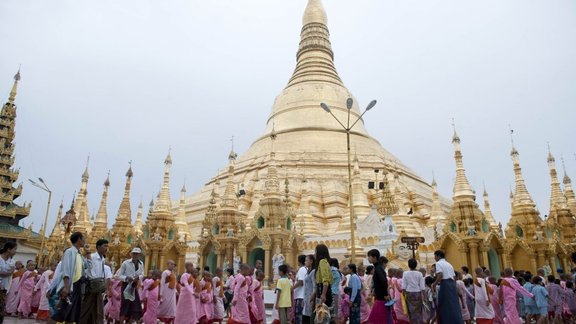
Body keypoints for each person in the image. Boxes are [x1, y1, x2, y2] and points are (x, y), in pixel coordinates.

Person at [48, 231, 89, 324]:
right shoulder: (69, 252)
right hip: (70, 287)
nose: (85, 241)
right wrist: (66, 288)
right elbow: (66, 271)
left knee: (72, 315)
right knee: (61, 313)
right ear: (79, 240)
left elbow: (87, 267)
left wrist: (88, 253)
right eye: (83, 239)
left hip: (77, 287)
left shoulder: (79, 254)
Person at [80, 238, 110, 324]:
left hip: (98, 287)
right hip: (91, 286)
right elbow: (86, 270)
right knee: (86, 308)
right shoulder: (92, 256)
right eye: (104, 246)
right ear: (98, 247)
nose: (106, 248)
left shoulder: (103, 259)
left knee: (98, 309)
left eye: (107, 246)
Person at [431, 250, 463, 324]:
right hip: (452, 284)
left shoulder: (438, 263)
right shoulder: (449, 264)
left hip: (445, 284)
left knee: (444, 305)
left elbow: (440, 275)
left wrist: (434, 284)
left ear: (438, 256)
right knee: (453, 304)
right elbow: (454, 277)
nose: (434, 258)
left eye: (435, 256)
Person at [117, 247, 144, 323]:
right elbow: (119, 275)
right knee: (125, 305)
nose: (135, 255)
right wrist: (126, 278)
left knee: (134, 305)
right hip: (126, 285)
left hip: (134, 285)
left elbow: (142, 274)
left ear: (140, 255)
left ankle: (130, 321)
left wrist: (138, 277)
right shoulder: (125, 263)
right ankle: (121, 322)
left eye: (137, 254)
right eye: (134, 254)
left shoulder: (141, 263)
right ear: (131, 254)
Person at [366, 249, 391, 324]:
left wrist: (385, 294)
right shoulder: (378, 268)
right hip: (380, 297)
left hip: (381, 298)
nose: (368, 258)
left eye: (369, 257)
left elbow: (383, 281)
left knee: (378, 320)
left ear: (374, 257)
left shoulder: (378, 269)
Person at [402, 258, 425, 324]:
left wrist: (403, 295)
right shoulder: (419, 274)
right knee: (418, 311)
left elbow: (403, 286)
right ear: (416, 265)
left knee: (410, 311)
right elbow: (422, 287)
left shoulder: (405, 273)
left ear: (408, 265)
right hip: (418, 293)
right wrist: (424, 296)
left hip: (409, 293)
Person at [314, 243, 334, 320]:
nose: (314, 254)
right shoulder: (324, 262)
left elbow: (325, 280)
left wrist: (323, 294)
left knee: (323, 317)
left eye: (315, 251)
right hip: (321, 290)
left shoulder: (322, 262)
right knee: (322, 315)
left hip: (323, 290)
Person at [0, 241, 17, 322]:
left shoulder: (12, 261)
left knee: (1, 308)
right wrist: (8, 272)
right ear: (8, 249)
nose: (15, 251)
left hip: (4, 288)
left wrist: (7, 273)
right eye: (14, 249)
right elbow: (7, 273)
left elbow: (10, 273)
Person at [302, 254, 316, 324]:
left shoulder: (313, 272)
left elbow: (314, 286)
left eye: (306, 260)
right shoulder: (308, 272)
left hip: (311, 298)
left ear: (311, 261)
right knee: (305, 317)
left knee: (310, 318)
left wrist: (312, 298)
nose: (305, 262)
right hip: (306, 298)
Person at [293, 255, 307, 324]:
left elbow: (301, 282)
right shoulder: (305, 269)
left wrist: (292, 288)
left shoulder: (302, 269)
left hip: (300, 296)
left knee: (299, 316)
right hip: (302, 295)